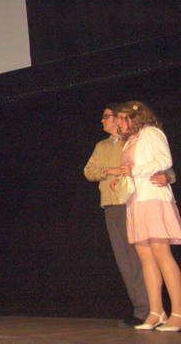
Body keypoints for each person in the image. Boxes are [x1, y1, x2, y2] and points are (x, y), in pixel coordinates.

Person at [84, 104, 175, 326]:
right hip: (122, 202)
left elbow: (164, 165)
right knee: (134, 259)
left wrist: (166, 177)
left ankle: (164, 311)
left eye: (110, 116)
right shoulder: (109, 144)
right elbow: (89, 171)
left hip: (145, 200)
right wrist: (114, 174)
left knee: (156, 255)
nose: (105, 121)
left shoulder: (146, 135)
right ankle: (149, 310)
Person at [106, 101, 181, 331]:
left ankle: (178, 313)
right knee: (145, 257)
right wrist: (122, 179)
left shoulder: (151, 133)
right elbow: (131, 169)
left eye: (123, 118)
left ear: (135, 117)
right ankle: (156, 312)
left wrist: (134, 171)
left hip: (153, 198)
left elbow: (164, 160)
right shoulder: (130, 140)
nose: (119, 123)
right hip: (136, 201)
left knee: (161, 253)